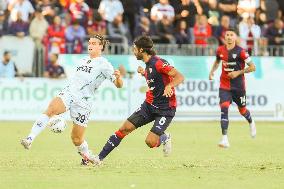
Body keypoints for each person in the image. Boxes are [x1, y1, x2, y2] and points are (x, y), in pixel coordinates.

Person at [21, 35, 123, 164]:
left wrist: (119, 78)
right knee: (50, 110)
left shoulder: (105, 64)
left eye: (94, 43)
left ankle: (87, 157)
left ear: (100, 46)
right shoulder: (83, 60)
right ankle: (29, 139)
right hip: (69, 93)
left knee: (76, 139)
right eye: (89, 42)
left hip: (84, 102)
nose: (90, 45)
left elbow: (119, 85)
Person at [89, 35, 184, 165]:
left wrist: (169, 86)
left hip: (165, 109)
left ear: (141, 50)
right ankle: (98, 159)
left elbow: (179, 76)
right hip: (149, 106)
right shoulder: (148, 65)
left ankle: (164, 137)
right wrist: (143, 73)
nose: (133, 51)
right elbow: (155, 77)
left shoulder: (159, 63)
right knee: (124, 129)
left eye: (135, 49)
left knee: (150, 142)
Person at [209, 28, 256, 148]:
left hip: (239, 87)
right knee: (224, 108)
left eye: (231, 35)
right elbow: (217, 61)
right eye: (227, 35)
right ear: (225, 37)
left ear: (235, 37)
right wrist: (212, 71)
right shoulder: (220, 50)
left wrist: (238, 72)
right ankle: (224, 139)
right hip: (224, 85)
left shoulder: (241, 52)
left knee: (243, 110)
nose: (229, 37)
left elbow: (252, 67)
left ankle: (251, 122)